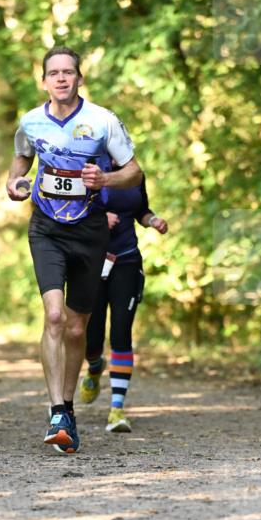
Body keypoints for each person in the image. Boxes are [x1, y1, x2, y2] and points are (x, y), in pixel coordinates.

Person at [6, 45, 143, 454]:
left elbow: (135, 171)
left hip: (90, 231)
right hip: (46, 227)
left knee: (78, 326)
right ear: (44, 80)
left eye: (69, 72)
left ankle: (68, 407)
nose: (62, 78)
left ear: (79, 78)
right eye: (54, 73)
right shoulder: (31, 121)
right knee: (53, 315)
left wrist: (105, 179)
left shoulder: (102, 121)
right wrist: (14, 184)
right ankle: (57, 412)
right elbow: (20, 161)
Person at [79, 178, 168, 432]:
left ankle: (117, 409)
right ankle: (95, 366)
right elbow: (68, 212)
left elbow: (140, 210)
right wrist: (97, 219)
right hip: (92, 261)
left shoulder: (134, 174)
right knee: (91, 339)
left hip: (126, 260)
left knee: (121, 331)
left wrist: (153, 221)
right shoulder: (89, 164)